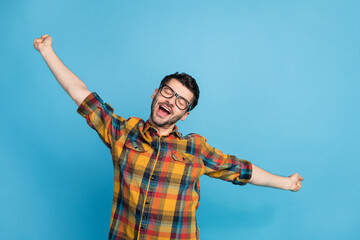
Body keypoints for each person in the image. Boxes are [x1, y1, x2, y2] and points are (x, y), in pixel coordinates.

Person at [33, 34, 304, 240]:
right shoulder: (123, 133)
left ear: (185, 114)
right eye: (168, 92)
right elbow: (81, 94)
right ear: (155, 93)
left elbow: (241, 170)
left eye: (182, 102)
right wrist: (47, 52)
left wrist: (286, 183)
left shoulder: (195, 148)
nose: (172, 101)